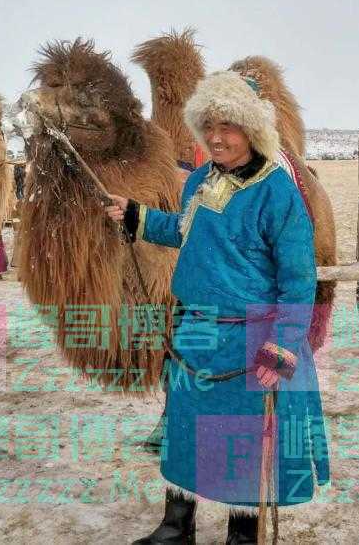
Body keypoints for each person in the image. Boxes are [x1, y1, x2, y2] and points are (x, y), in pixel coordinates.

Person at [105, 71, 329, 544]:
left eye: (227, 126)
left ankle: (242, 537)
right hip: (195, 333)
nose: (215, 137)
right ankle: (176, 527)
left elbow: (298, 281)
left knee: (242, 443)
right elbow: (183, 232)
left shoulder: (277, 192)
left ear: (252, 129)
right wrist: (136, 216)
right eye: (208, 126)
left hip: (250, 340)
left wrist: (282, 347)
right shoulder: (200, 183)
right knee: (184, 430)